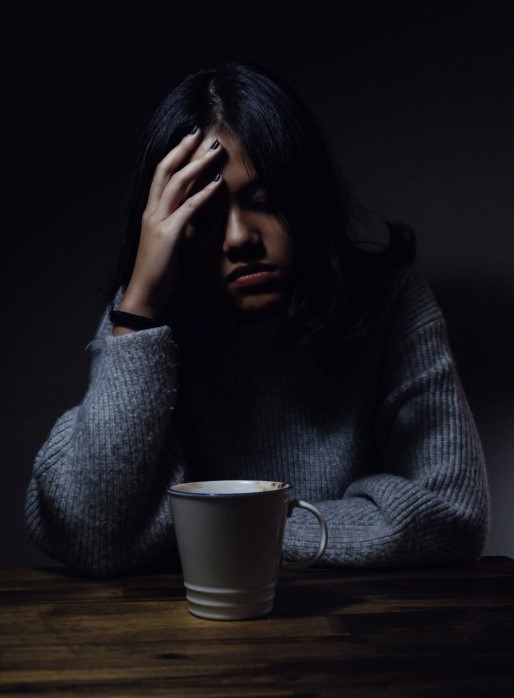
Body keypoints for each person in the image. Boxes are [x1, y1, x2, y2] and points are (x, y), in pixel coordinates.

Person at [25, 61, 490, 578]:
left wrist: (220, 535)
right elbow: (92, 532)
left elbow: (453, 513)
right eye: (202, 214)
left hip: (358, 635)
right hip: (178, 641)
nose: (240, 238)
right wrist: (137, 310)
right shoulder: (146, 319)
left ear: (309, 198)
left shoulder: (388, 299)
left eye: (265, 201)